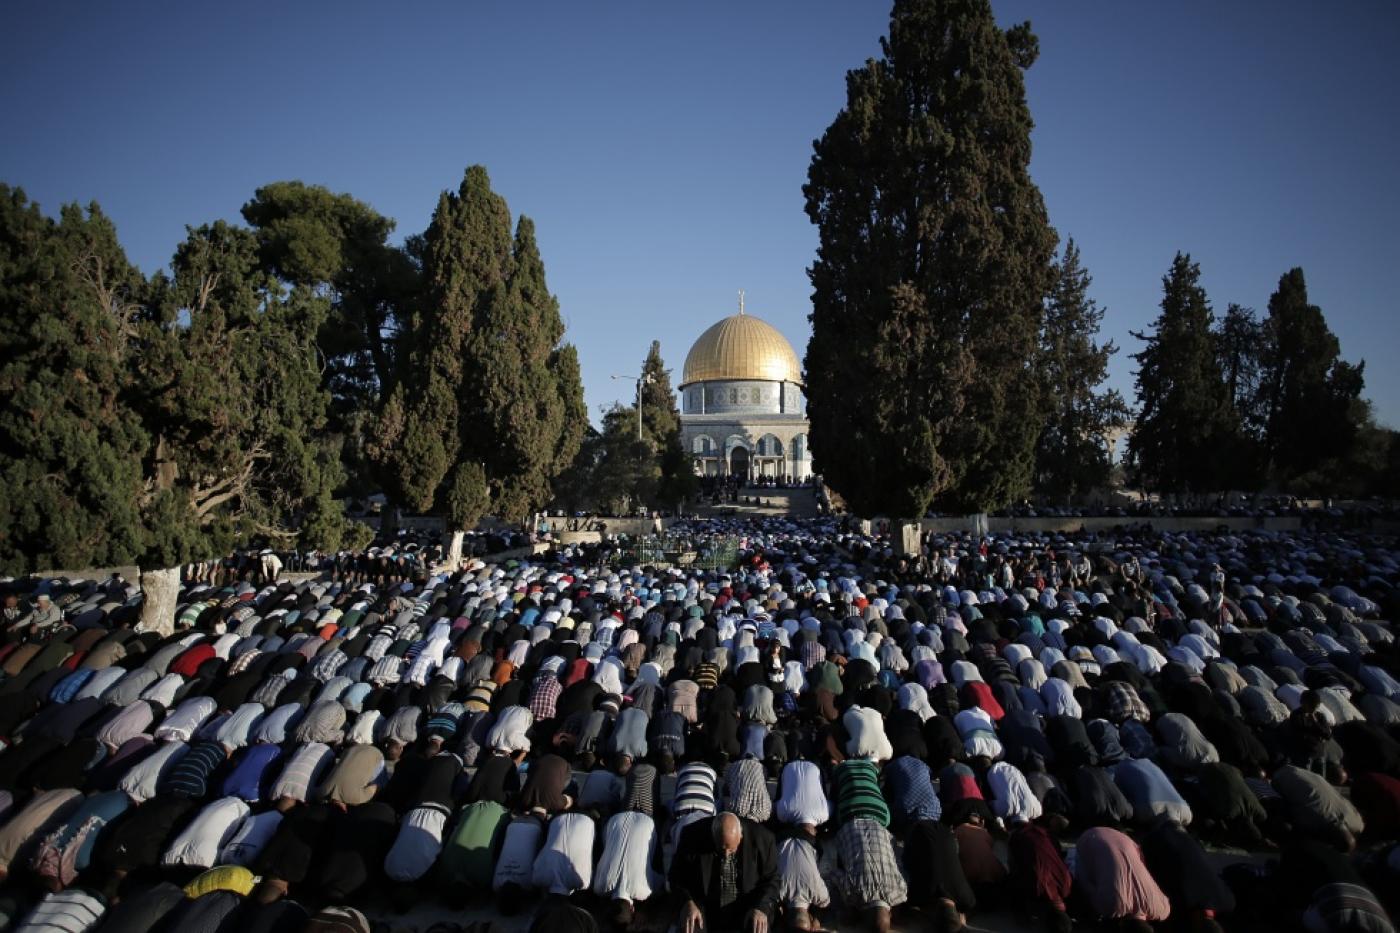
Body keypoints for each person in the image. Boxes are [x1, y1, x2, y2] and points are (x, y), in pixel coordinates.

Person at [670, 811, 779, 933]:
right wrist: (687, 901)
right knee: (690, 925)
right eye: (721, 849)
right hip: (705, 907)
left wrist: (761, 907)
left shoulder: (763, 839)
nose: (726, 855)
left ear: (741, 835)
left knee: (758, 927)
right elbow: (676, 876)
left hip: (747, 905)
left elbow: (772, 880)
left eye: (731, 850)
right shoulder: (692, 835)